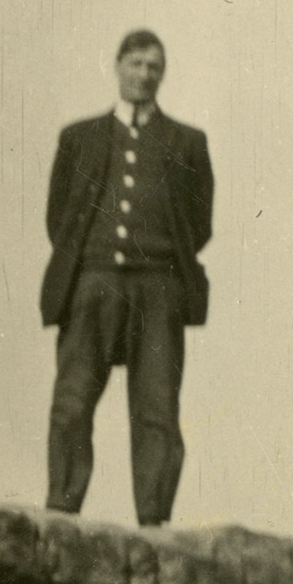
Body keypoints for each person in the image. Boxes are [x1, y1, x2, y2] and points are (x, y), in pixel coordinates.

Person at [41, 30, 213, 526]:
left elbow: (198, 225)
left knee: (157, 410)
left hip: (159, 290)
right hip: (92, 286)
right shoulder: (79, 138)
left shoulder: (187, 142)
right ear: (117, 66)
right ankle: (61, 514)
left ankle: (154, 523)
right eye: (135, 63)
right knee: (71, 403)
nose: (144, 74)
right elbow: (60, 218)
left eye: (154, 66)